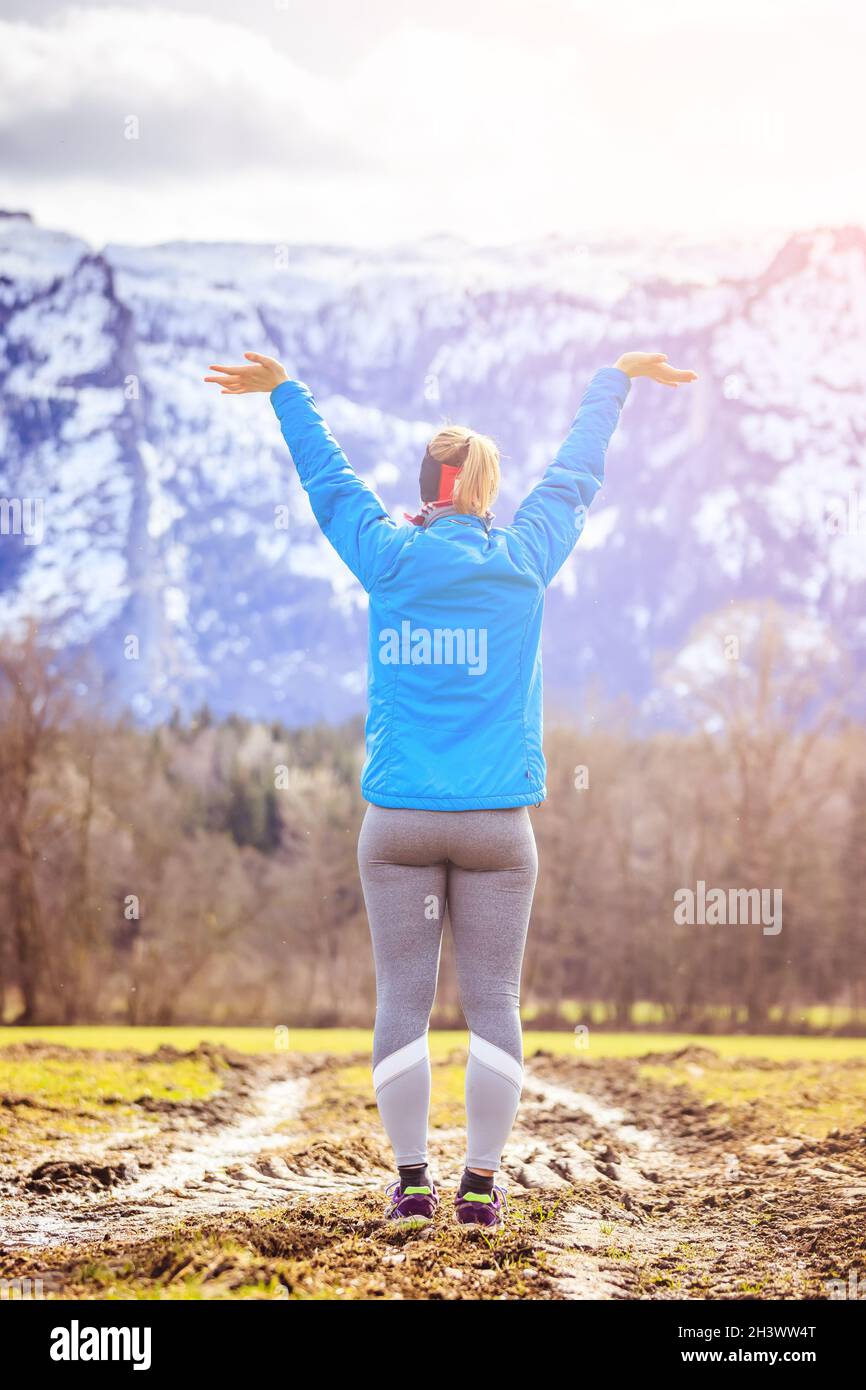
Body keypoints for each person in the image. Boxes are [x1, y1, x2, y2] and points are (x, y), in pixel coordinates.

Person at [204, 348, 697, 1230]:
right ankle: (479, 1186)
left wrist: (288, 394)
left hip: (396, 823)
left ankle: (411, 1183)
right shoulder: (523, 559)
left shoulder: (389, 558)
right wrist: (613, 381)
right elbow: (577, 475)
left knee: (403, 1000)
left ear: (428, 487)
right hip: (497, 828)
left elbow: (331, 484)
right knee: (495, 1003)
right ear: (487, 489)